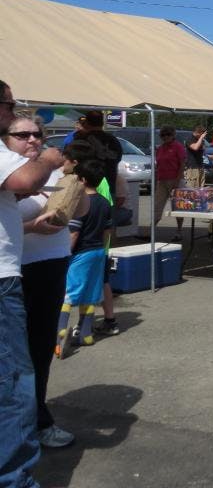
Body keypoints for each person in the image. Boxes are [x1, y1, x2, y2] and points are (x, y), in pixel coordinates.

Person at [1, 80, 65, 487]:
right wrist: (51, 158)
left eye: (38, 134)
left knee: (28, 363)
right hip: (10, 279)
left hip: (39, 267)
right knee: (14, 382)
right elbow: (23, 185)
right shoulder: (17, 166)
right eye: (11, 109)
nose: (32, 139)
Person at [5, 118, 75, 448]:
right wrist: (33, 226)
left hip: (51, 265)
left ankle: (39, 419)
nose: (33, 140)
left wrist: (76, 188)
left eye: (38, 134)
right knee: (14, 360)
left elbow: (82, 208)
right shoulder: (12, 173)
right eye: (22, 134)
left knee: (39, 350)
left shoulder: (51, 171)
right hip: (16, 270)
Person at [55, 160, 111, 357]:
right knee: (89, 294)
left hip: (80, 253)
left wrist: (65, 254)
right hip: (98, 252)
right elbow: (107, 230)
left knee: (67, 294)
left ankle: (60, 333)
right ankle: (86, 334)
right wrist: (103, 250)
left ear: (83, 179)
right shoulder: (104, 202)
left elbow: (74, 233)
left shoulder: (80, 202)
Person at [72, 110, 122, 195]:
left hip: (86, 188)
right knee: (106, 207)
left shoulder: (82, 139)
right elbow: (117, 158)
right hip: (108, 185)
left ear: (87, 123)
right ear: (102, 123)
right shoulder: (113, 140)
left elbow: (73, 159)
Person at [153, 126, 187, 239]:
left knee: (178, 207)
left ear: (173, 135)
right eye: (163, 135)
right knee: (157, 205)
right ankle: (151, 231)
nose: (165, 137)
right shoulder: (160, 148)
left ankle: (179, 231)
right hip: (162, 180)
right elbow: (157, 166)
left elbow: (182, 164)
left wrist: (177, 181)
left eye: (168, 134)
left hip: (175, 179)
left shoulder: (178, 147)